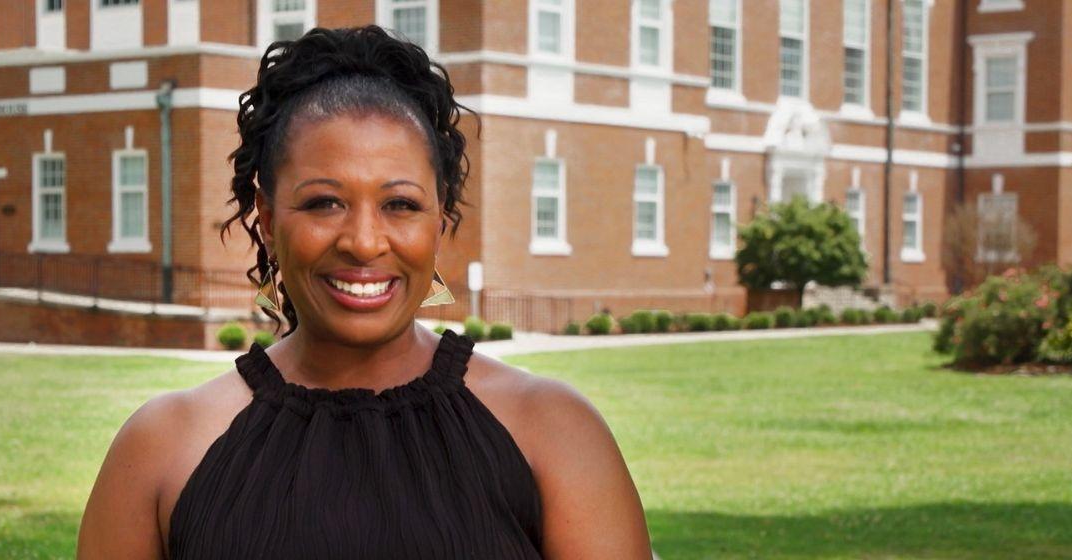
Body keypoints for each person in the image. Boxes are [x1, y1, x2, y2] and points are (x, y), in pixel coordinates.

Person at [77, 25, 651, 559]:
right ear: (268, 219)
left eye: (400, 204)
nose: (364, 241)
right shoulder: (160, 450)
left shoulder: (553, 432)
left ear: (439, 222)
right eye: (324, 202)